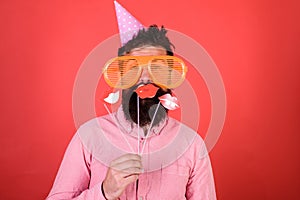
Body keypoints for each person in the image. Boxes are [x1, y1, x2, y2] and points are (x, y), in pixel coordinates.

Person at [47, 25, 216, 200]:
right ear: (120, 76)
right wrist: (104, 192)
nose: (145, 78)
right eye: (133, 69)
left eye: (157, 69)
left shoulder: (192, 145)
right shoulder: (89, 136)